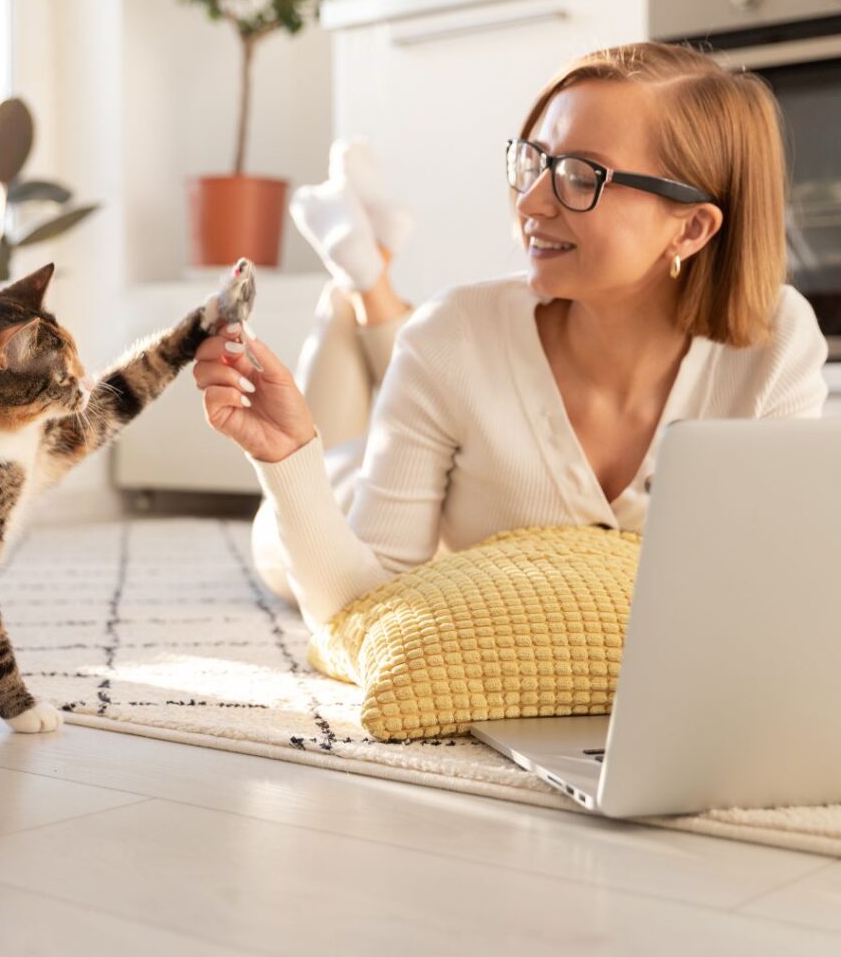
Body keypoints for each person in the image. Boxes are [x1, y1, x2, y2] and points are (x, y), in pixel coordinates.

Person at [191, 41, 828, 633]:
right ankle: (355, 287)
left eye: (582, 176)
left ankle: (365, 275)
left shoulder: (774, 344)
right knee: (288, 529)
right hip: (348, 491)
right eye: (533, 162)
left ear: (689, 230)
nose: (529, 204)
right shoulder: (451, 332)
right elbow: (362, 607)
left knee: (430, 349)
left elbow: (774, 594)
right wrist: (285, 456)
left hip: (443, 394)